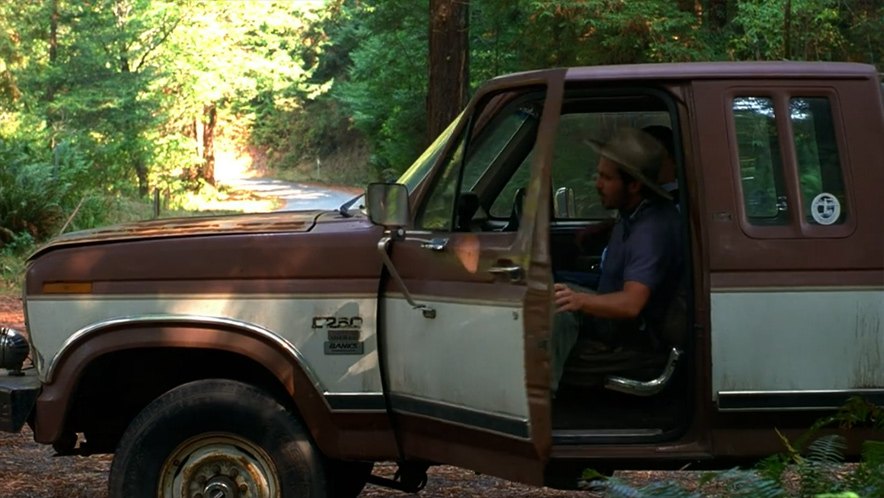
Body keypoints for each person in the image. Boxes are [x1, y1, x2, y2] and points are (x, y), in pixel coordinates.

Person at [550, 127, 683, 393]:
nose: (597, 183)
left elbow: (632, 304)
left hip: (628, 329)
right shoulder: (635, 211)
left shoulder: (652, 230)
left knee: (555, 311)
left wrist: (580, 300)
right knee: (545, 289)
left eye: (606, 177)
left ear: (634, 185)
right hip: (611, 308)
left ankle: (539, 405)